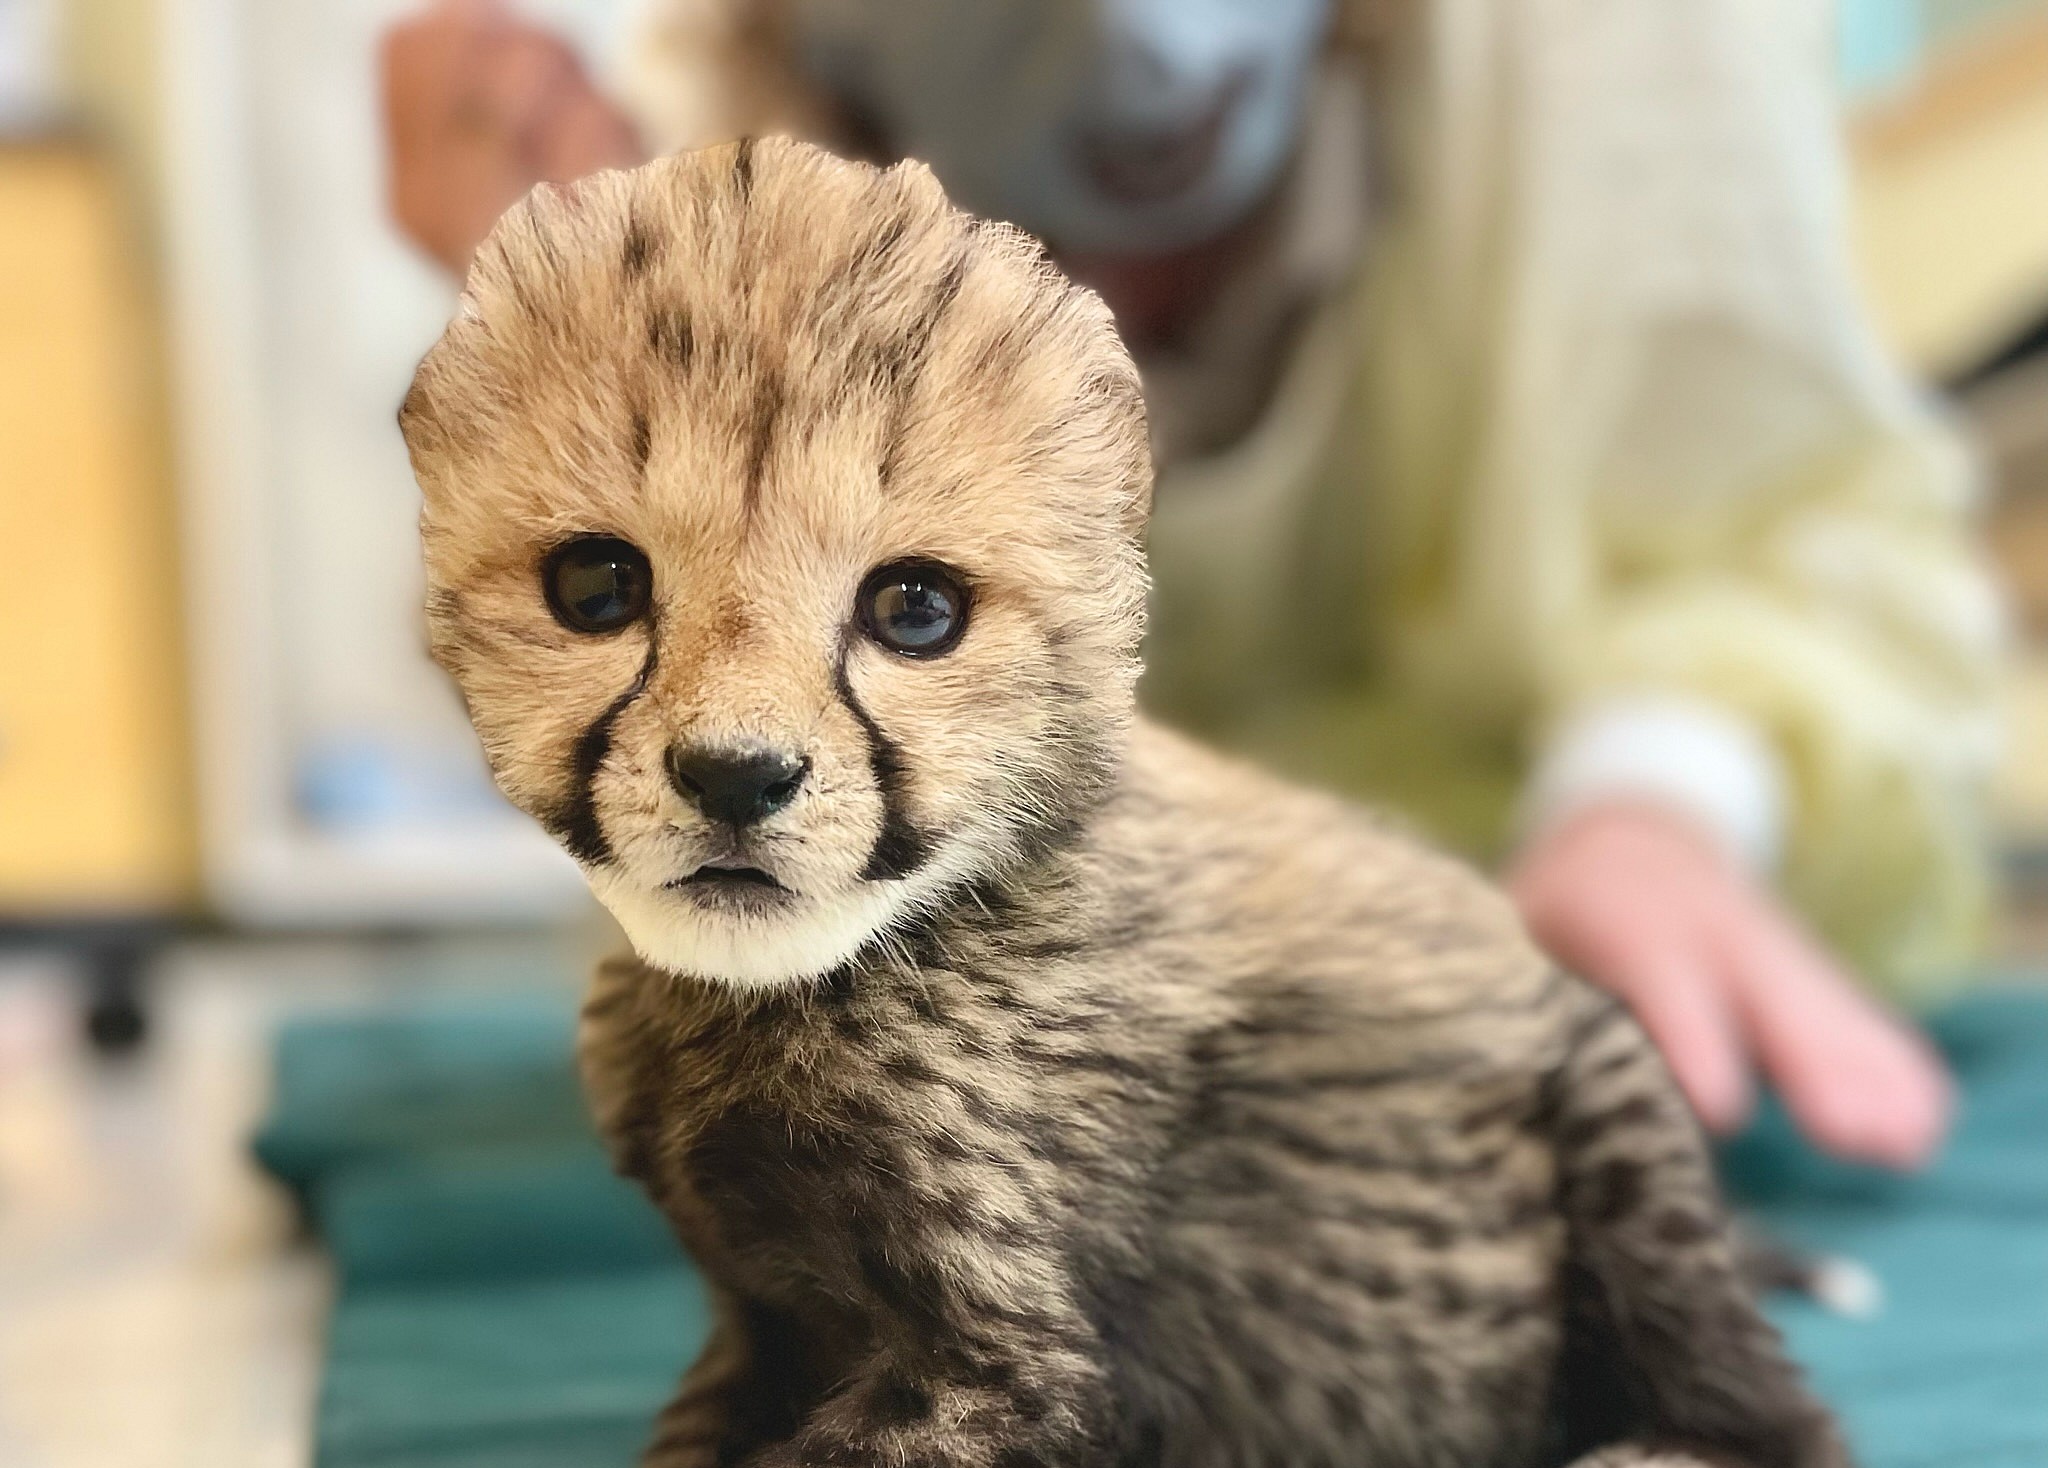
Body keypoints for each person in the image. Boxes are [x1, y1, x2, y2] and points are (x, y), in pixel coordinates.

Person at [381, 0, 2010, 1170]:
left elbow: (1808, 537)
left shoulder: (1625, 56)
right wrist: (575, 367)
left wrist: (1658, 803)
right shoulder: (725, 153)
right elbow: (703, 783)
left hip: (1607, 1032)